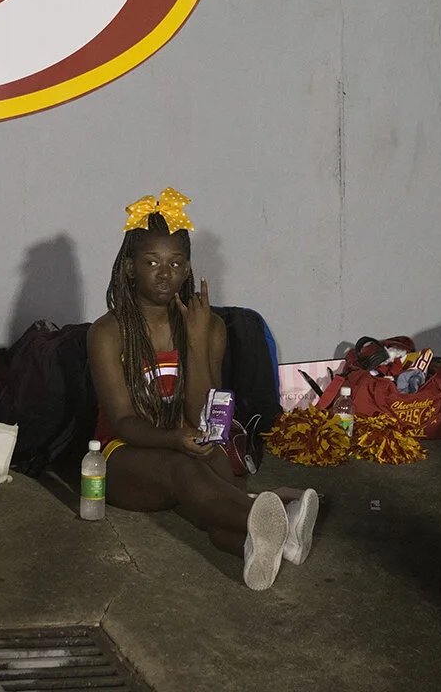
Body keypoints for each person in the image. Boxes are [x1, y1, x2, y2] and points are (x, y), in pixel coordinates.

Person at [87, 187, 319, 589]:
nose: (165, 274)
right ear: (129, 267)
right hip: (124, 458)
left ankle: (267, 545)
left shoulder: (208, 326)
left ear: (189, 269)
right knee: (184, 470)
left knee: (214, 479)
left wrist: (194, 342)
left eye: (176, 263)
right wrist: (175, 439)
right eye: (151, 262)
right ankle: (269, 512)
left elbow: (204, 416)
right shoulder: (108, 332)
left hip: (188, 443)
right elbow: (123, 422)